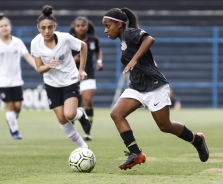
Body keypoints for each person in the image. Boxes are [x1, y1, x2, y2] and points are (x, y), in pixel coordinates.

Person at [102, 7, 209, 170]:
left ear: (119, 25)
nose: (105, 30)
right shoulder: (123, 40)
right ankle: (135, 153)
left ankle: (197, 140)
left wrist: (134, 60)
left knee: (165, 126)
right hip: (137, 86)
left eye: (108, 26)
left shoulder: (130, 33)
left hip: (154, 84)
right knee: (117, 114)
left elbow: (149, 39)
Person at [30, 5, 91, 148]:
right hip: (51, 84)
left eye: (50, 27)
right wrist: (49, 66)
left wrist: (81, 70)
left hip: (70, 79)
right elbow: (39, 69)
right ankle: (83, 148)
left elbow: (83, 46)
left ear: (54, 27)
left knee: (69, 114)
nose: (46, 31)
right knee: (62, 118)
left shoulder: (65, 38)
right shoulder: (35, 43)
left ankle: (80, 114)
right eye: (43, 28)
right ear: (38, 28)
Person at [0, 13, 36, 140]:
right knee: (10, 106)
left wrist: (37, 67)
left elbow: (27, 56)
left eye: (6, 25)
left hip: (16, 79)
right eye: (1, 26)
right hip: (1, 81)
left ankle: (11, 120)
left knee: (18, 106)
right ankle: (15, 131)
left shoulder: (17, 42)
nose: (4, 28)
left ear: (10, 27)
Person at [69, 16, 103, 141]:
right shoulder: (70, 40)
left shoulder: (93, 40)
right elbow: (63, 56)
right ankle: (72, 130)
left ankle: (87, 132)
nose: (80, 28)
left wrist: (99, 61)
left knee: (87, 101)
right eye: (78, 26)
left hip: (88, 75)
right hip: (72, 77)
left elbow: (98, 51)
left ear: (87, 27)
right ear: (74, 27)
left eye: (83, 25)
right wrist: (73, 59)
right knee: (73, 105)